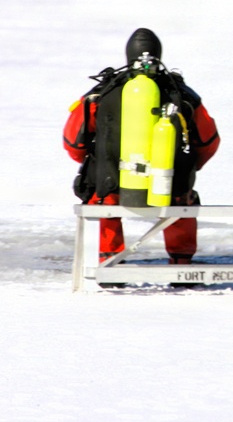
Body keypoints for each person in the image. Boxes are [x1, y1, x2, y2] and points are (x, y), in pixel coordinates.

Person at [63, 28, 220, 265]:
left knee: (101, 198)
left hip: (111, 184)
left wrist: (100, 163)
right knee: (182, 199)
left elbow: (73, 141)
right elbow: (209, 141)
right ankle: (182, 264)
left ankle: (109, 261)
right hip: (170, 182)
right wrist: (188, 165)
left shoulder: (100, 94)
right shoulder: (182, 94)